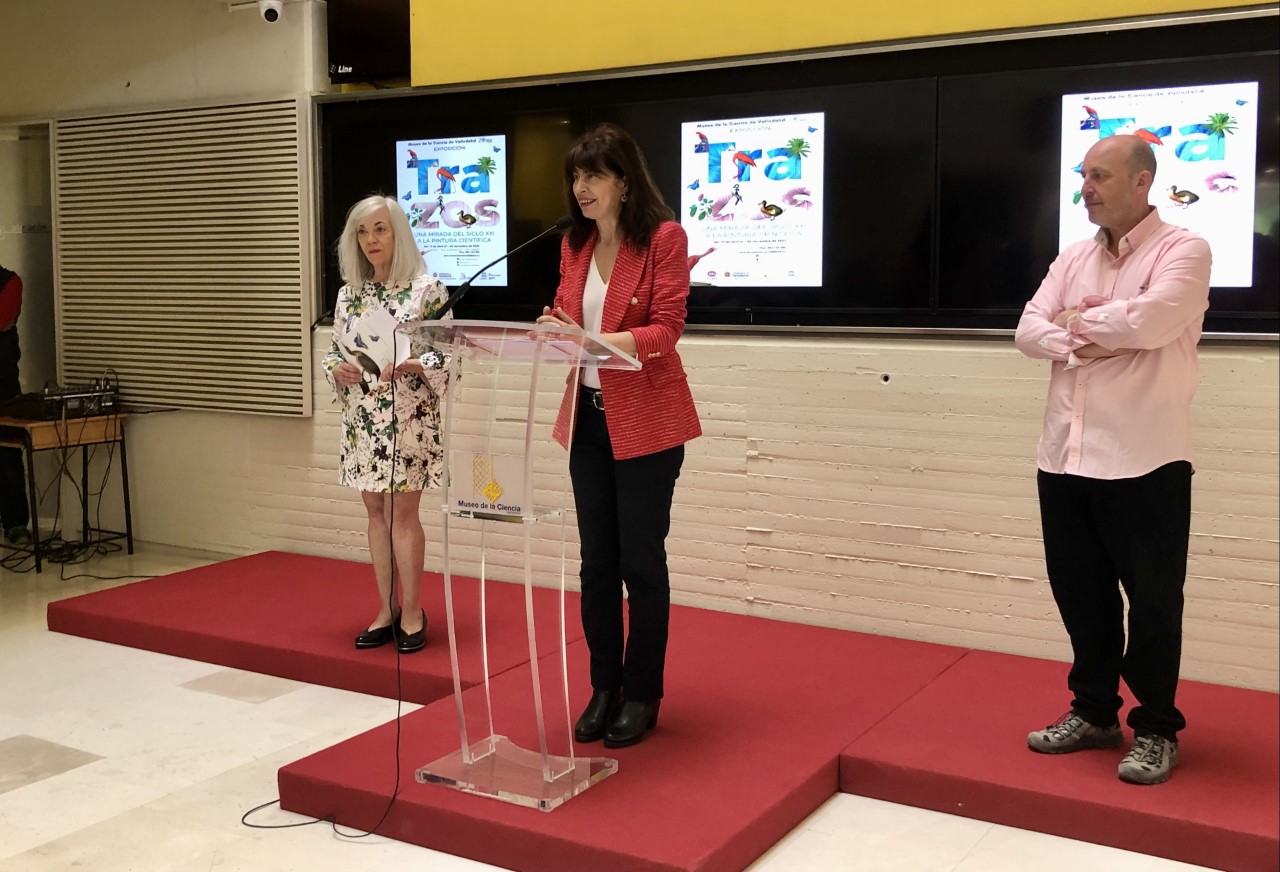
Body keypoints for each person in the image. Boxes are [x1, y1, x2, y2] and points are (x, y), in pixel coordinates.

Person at [1014, 134, 1211, 785]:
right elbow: (1027, 330)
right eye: (1083, 175)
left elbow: (1151, 323)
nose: (1086, 188)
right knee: (1082, 596)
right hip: (1064, 457)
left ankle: (1156, 728)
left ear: (1142, 181)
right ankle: (1095, 712)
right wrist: (1097, 331)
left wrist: (1076, 322)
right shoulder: (1073, 256)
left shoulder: (1183, 249)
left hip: (1145, 459)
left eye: (1099, 175)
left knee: (1153, 605)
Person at [536, 123, 701, 749]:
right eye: (576, 177)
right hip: (587, 419)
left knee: (641, 561)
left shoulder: (663, 238)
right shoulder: (574, 244)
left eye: (594, 176)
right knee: (596, 562)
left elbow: (667, 329)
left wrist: (595, 341)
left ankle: (641, 693)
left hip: (648, 424)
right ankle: (603, 687)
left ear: (624, 181)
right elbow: (565, 314)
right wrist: (552, 328)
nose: (581, 188)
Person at [321, 196, 451, 654]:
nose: (371, 240)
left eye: (380, 229)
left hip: (408, 418)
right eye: (362, 232)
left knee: (402, 515)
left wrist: (415, 363)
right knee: (375, 514)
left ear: (398, 233)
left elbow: (448, 357)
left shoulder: (427, 290)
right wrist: (336, 369)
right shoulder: (349, 294)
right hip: (363, 420)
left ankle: (413, 612)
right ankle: (386, 609)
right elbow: (334, 352)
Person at [0, 263, 32, 547]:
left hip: (3, 385)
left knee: (8, 455)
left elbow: (1, 319)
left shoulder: (10, 281)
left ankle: (15, 523)